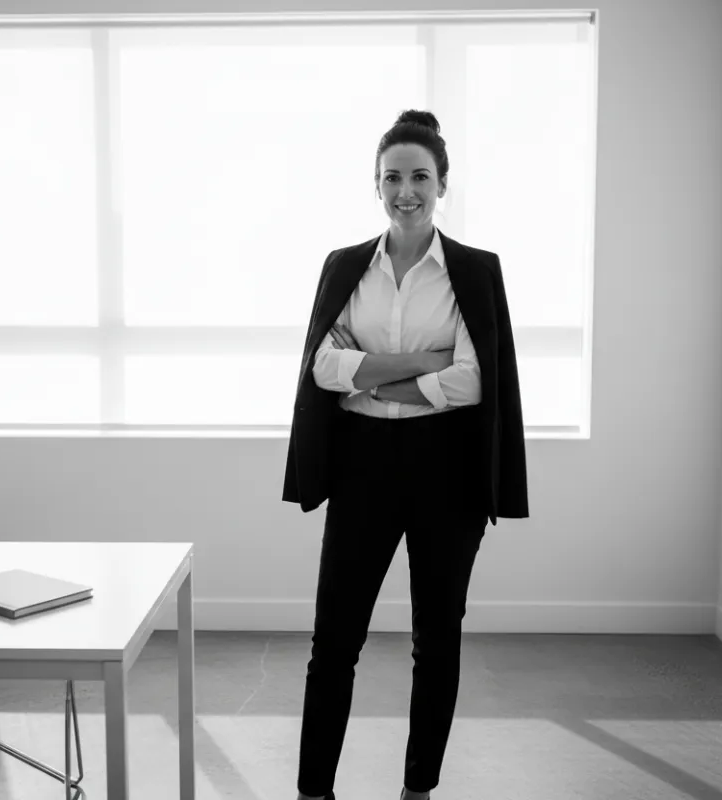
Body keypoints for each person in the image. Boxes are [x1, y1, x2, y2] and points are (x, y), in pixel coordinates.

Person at [282, 109, 530, 800]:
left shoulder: (476, 273)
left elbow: (478, 380)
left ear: (443, 183)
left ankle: (418, 790)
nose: (406, 190)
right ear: (377, 186)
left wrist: (373, 369)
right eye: (392, 177)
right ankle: (312, 791)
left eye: (420, 176)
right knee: (334, 641)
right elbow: (322, 369)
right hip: (361, 464)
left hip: (445, 473)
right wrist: (423, 365)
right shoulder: (344, 268)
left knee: (436, 643)